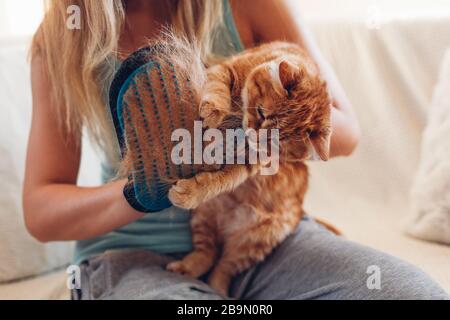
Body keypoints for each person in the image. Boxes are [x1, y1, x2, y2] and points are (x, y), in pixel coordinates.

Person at [25, 0, 448, 300]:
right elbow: (42, 213)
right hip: (131, 257)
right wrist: (141, 191)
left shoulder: (248, 4)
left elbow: (346, 133)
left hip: (255, 238)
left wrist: (260, 119)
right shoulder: (64, 37)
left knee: (410, 293)